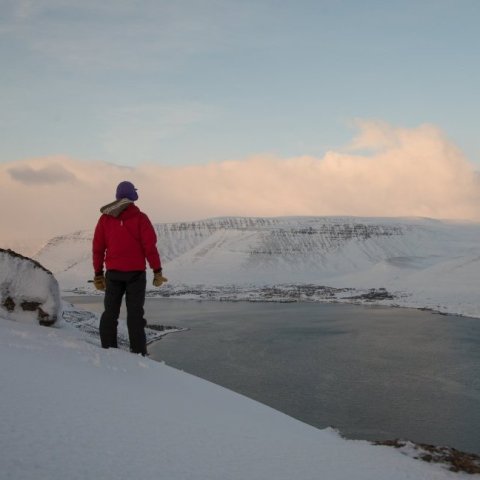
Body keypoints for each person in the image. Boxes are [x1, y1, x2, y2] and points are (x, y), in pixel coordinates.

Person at [92, 181, 167, 355]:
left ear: (117, 196)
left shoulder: (105, 219)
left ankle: (108, 351)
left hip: (113, 274)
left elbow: (98, 248)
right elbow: (150, 247)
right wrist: (157, 271)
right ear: (134, 196)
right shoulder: (141, 218)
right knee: (135, 316)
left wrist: (98, 273)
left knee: (110, 313)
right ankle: (139, 354)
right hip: (136, 275)